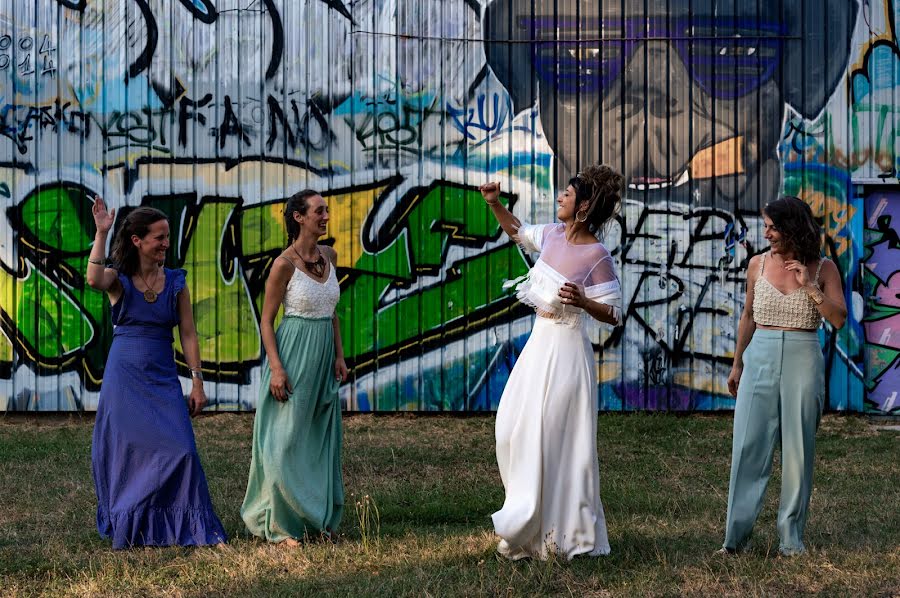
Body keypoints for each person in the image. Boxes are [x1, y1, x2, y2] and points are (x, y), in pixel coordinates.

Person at [480, 165, 624, 560]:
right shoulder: (553, 235)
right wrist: (495, 204)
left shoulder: (596, 255)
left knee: (555, 440)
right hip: (538, 346)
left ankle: (562, 533)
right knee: (512, 429)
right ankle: (525, 516)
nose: (560, 196)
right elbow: (518, 232)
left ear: (583, 208)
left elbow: (614, 313)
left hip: (566, 352)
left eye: (567, 193)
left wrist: (584, 300)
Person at [86, 197, 227, 549]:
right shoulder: (119, 279)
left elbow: (189, 333)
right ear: (138, 240)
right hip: (125, 377)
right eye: (159, 238)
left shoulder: (176, 281)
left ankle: (188, 526)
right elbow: (92, 279)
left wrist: (197, 380)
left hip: (162, 376)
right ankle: (132, 522)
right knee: (128, 452)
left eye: (167, 237)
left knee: (182, 450)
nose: (166, 243)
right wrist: (102, 232)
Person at [721, 196, 847, 556]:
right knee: (747, 445)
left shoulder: (823, 269)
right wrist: (737, 363)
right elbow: (747, 316)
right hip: (758, 354)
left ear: (792, 227)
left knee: (798, 450)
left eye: (773, 227)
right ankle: (734, 540)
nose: (767, 233)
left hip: (802, 358)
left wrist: (809, 286)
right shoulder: (756, 265)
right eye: (766, 226)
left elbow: (837, 319)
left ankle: (791, 539)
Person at [241, 189, 349, 545]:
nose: (325, 216)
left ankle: (317, 516)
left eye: (326, 211)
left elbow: (331, 313)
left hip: (323, 356)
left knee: (318, 438)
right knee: (284, 439)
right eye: (318, 211)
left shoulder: (329, 255)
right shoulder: (283, 264)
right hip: (293, 353)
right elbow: (267, 321)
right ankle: (281, 523)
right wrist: (276, 368)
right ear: (299, 217)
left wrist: (339, 355)